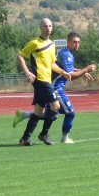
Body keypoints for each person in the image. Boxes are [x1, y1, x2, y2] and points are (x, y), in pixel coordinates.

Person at [14, 32, 97, 143]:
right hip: (55, 88)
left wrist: (81, 71)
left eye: (78, 42)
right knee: (70, 113)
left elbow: (67, 69)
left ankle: (24, 116)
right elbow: (70, 76)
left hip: (50, 85)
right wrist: (85, 69)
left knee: (50, 113)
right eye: (74, 42)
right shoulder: (66, 55)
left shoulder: (66, 53)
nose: (77, 44)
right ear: (68, 42)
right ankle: (63, 138)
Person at [15, 18, 71, 146]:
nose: (48, 28)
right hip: (40, 80)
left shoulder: (52, 44)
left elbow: (52, 64)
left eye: (50, 26)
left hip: (47, 80)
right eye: (45, 26)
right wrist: (27, 72)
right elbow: (20, 56)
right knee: (56, 106)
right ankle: (44, 134)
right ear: (40, 27)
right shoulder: (35, 43)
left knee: (38, 111)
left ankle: (24, 139)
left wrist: (63, 72)